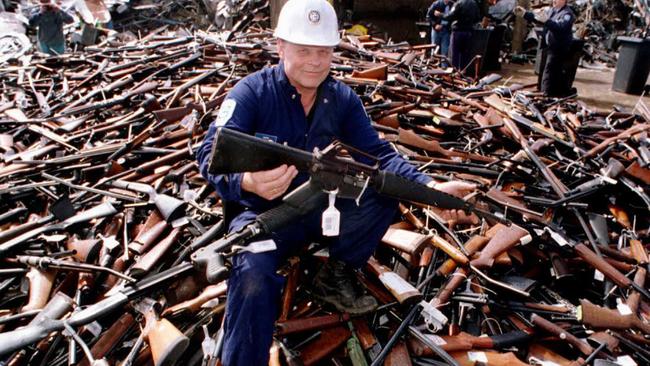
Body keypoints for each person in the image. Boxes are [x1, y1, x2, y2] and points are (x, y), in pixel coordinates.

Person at [197, 0, 475, 364]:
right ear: (280, 47)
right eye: (304, 50)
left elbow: (380, 156)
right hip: (263, 218)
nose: (315, 60)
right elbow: (208, 156)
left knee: (383, 192)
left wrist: (431, 187)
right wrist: (247, 182)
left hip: (319, 208)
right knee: (252, 278)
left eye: (324, 51)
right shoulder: (251, 93)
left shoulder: (341, 98)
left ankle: (337, 272)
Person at [523, 0, 575, 96]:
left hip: (558, 47)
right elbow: (539, 19)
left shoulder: (567, 14)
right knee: (547, 70)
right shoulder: (552, 10)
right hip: (548, 45)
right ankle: (557, 91)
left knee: (549, 70)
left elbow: (560, 28)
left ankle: (545, 93)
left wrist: (547, 21)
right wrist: (525, 14)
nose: (554, 0)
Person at [436, 0, 481, 71]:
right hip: (468, 31)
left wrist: (440, 14)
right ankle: (463, 72)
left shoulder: (459, 3)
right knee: (465, 54)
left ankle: (455, 72)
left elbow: (450, 16)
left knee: (454, 54)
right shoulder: (474, 3)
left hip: (458, 31)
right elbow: (478, 17)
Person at [426, 0, 453, 64]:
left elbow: (453, 17)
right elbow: (428, 16)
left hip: (446, 30)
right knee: (434, 49)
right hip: (436, 30)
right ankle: (432, 67)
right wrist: (435, 25)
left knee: (445, 51)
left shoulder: (452, 5)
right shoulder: (437, 4)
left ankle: (444, 68)